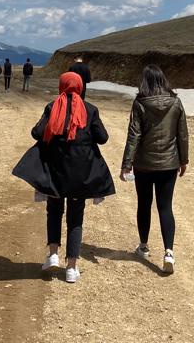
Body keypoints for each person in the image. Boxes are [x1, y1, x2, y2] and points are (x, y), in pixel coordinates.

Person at [12, 72, 115, 283]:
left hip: (56, 172)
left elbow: (36, 132)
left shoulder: (52, 107)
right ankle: (71, 268)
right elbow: (103, 138)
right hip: (81, 175)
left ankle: (52, 255)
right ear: (79, 87)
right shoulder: (90, 110)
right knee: (76, 217)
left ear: (62, 86)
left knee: (54, 211)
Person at [120, 65, 188, 274]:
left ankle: (143, 245)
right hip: (169, 163)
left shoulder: (140, 103)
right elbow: (183, 133)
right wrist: (183, 160)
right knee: (165, 206)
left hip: (144, 163)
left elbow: (134, 135)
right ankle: (169, 251)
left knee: (144, 203)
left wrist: (126, 163)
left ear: (145, 81)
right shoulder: (176, 102)